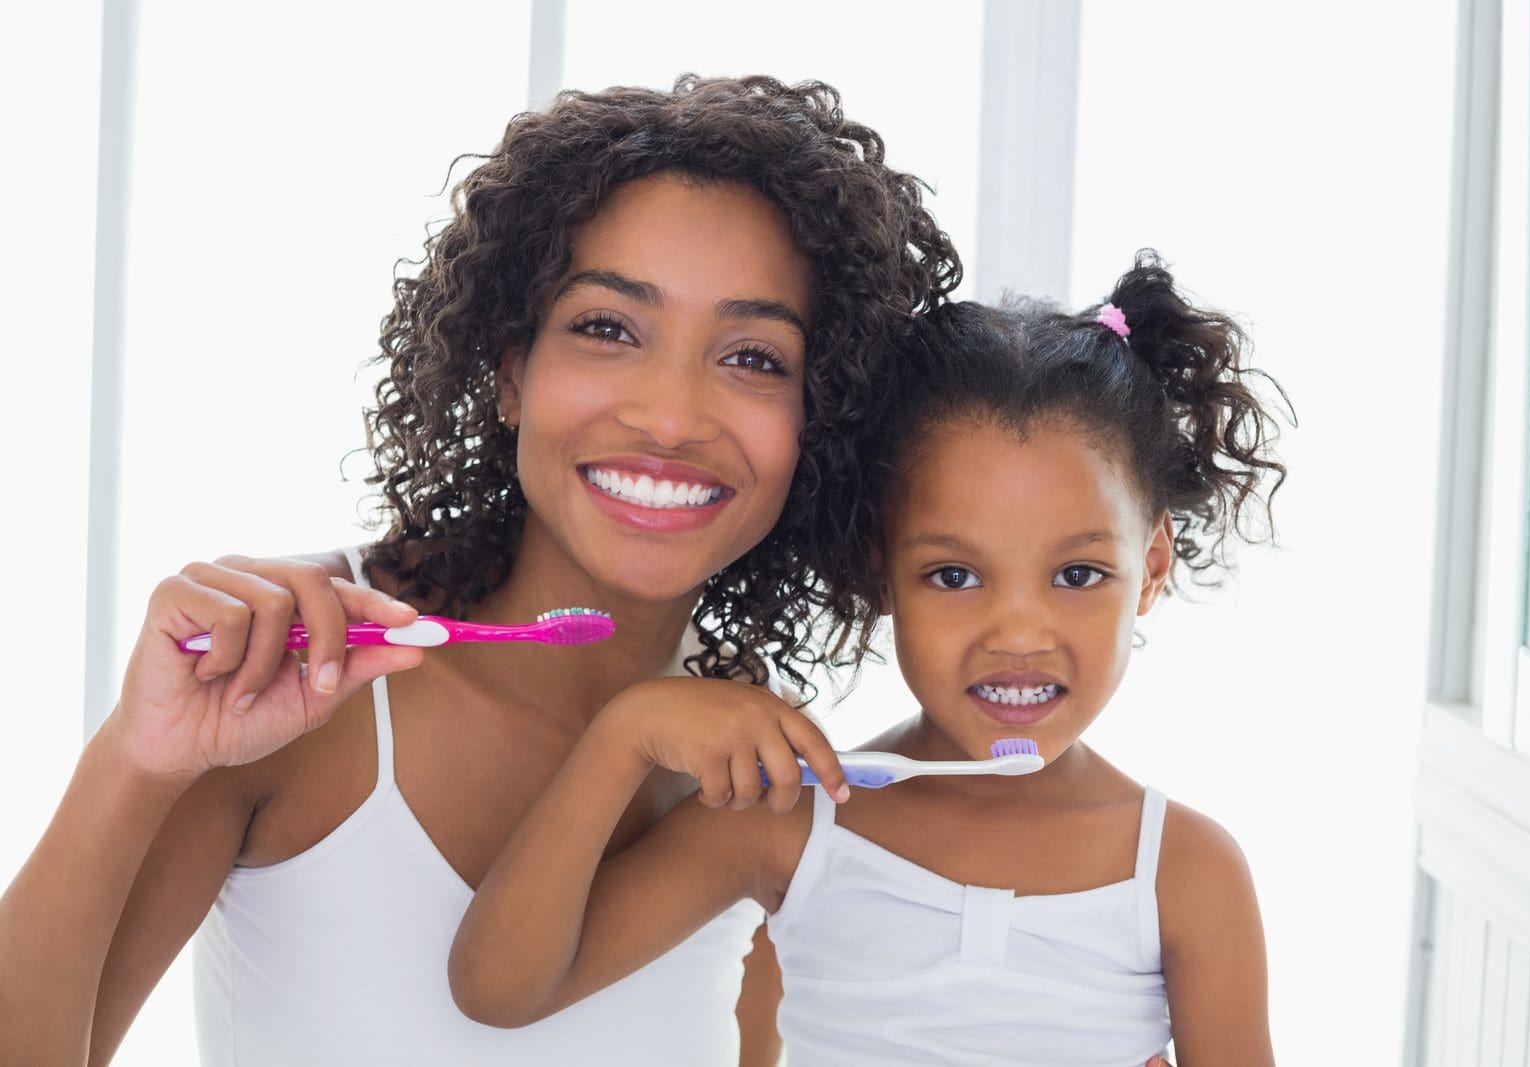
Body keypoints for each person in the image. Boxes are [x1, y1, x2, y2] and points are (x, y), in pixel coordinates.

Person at [0, 75, 961, 1067]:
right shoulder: (306, 672)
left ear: (821, 418)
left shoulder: (756, 771)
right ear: (510, 369)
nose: (672, 416)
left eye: (754, 356)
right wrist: (136, 757)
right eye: (607, 327)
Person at [448, 252, 1286, 1066]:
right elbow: (500, 988)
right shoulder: (793, 818)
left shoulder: (1183, 873)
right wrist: (624, 734)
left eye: (1078, 573)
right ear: (877, 568)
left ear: (1153, 568)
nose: (1020, 633)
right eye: (954, 574)